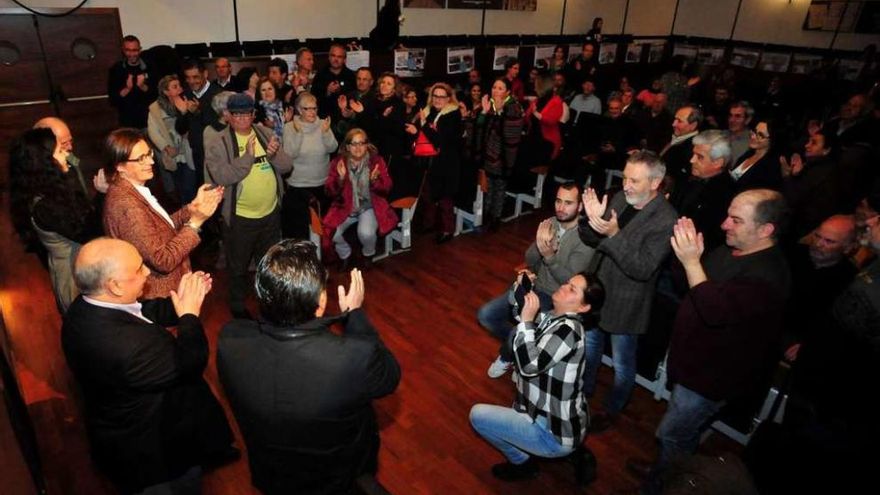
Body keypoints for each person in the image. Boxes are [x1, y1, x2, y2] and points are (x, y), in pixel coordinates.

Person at [629, 190, 792, 494]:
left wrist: (692, 262)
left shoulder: (767, 276)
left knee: (671, 434)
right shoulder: (734, 249)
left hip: (709, 379)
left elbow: (714, 310)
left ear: (765, 230)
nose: (724, 224)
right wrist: (683, 258)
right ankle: (670, 471)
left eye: (736, 220)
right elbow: (692, 287)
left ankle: (663, 485)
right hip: (691, 366)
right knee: (679, 434)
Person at [217, 241, 400, 494]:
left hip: (273, 476)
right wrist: (354, 314)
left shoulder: (229, 342)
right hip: (337, 479)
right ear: (321, 302)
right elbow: (389, 376)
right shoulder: (351, 357)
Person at [62, 238, 237, 494]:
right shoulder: (131, 347)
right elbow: (190, 362)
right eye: (138, 269)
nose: (146, 271)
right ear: (115, 285)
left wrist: (179, 301)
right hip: (154, 449)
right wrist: (189, 315)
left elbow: (141, 311)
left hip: (120, 419)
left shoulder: (87, 305)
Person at [470, 272, 605, 481]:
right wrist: (521, 289)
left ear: (583, 307)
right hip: (562, 417)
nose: (563, 286)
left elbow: (528, 366)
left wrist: (525, 321)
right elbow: (521, 315)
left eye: (572, 289)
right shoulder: (555, 317)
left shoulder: (569, 332)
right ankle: (575, 452)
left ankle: (523, 464)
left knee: (477, 416)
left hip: (553, 432)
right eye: (567, 282)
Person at [578, 151, 677, 431]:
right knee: (591, 347)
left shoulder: (666, 220)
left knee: (623, 365)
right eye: (624, 178)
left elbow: (643, 268)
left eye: (634, 180)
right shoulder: (622, 199)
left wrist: (611, 234)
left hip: (627, 302)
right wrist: (590, 220)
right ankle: (584, 392)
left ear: (655, 183)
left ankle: (613, 408)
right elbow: (593, 239)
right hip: (598, 291)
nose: (626, 185)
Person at [478, 182, 594, 377]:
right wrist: (540, 247)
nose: (561, 207)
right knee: (486, 315)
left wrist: (549, 256)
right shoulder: (550, 222)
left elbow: (569, 281)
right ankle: (521, 352)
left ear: (580, 207)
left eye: (568, 203)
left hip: (556, 298)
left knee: (519, 331)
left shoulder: (586, 238)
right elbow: (530, 259)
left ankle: (509, 356)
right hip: (535, 287)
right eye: (558, 201)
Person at [103, 128, 223, 298]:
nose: (151, 162)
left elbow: (159, 228)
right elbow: (162, 260)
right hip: (161, 296)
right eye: (140, 159)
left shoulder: (131, 189)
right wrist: (195, 223)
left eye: (149, 154)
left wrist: (191, 209)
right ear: (120, 166)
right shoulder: (127, 206)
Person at [204, 93, 294, 319]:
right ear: (228, 116)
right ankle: (237, 307)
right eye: (238, 114)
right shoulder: (219, 142)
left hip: (270, 214)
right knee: (238, 267)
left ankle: (268, 303)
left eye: (247, 114)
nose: (243, 119)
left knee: (269, 264)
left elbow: (286, 167)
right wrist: (248, 157)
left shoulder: (264, 133)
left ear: (254, 114)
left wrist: (272, 156)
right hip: (240, 218)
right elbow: (222, 176)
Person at [8, 128, 102, 312]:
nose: (67, 154)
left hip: (84, 270)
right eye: (60, 151)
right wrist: (102, 195)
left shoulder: (53, 192)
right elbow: (90, 232)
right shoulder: (45, 206)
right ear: (44, 163)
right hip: (78, 280)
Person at [323, 128, 397, 269]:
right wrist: (340, 179)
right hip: (345, 207)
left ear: (367, 145)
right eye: (354, 144)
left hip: (368, 207)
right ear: (348, 147)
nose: (358, 147)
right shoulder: (338, 163)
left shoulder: (376, 161)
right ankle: (345, 254)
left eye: (361, 143)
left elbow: (387, 188)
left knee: (366, 233)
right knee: (331, 233)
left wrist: (374, 180)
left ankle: (368, 253)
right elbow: (329, 192)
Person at [405, 82, 462, 243]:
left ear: (448, 98)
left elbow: (441, 140)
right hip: (429, 160)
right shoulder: (428, 112)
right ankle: (429, 224)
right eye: (435, 96)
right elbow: (424, 137)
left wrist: (422, 128)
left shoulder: (453, 114)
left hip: (447, 162)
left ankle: (447, 230)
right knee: (428, 195)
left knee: (445, 197)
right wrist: (418, 131)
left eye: (441, 96)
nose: (437, 99)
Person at [282, 92, 337, 240]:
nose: (312, 112)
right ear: (299, 110)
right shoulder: (289, 127)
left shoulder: (323, 124)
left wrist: (326, 133)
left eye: (315, 108)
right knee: (300, 230)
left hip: (321, 184)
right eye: (308, 109)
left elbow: (333, 148)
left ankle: (322, 255)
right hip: (298, 186)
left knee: (322, 229)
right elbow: (289, 153)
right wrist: (299, 134)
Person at [475, 77, 524, 230]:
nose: (496, 91)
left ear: (508, 92)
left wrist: (499, 112)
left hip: (504, 156)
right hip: (489, 155)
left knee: (499, 187)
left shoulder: (513, 107)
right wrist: (485, 111)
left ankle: (495, 218)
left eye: (500, 88)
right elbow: (481, 127)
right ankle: (487, 216)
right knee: (488, 186)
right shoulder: (491, 105)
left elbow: (510, 134)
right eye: (494, 87)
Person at [148, 74, 198, 203]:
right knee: (180, 186)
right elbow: (153, 131)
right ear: (166, 92)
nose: (180, 89)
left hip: (188, 150)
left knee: (190, 186)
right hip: (172, 153)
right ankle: (184, 214)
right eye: (175, 87)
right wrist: (165, 147)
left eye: (179, 85)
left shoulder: (188, 101)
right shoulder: (156, 108)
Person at [179, 58, 222, 185]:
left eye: (195, 77)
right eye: (188, 77)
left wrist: (198, 113)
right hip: (197, 151)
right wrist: (184, 113)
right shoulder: (185, 95)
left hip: (217, 152)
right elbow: (180, 129)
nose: (191, 81)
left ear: (205, 74)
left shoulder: (218, 94)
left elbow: (220, 126)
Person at [107, 35, 155, 128]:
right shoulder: (117, 69)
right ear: (123, 50)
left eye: (135, 50)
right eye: (128, 50)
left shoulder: (149, 66)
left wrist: (142, 86)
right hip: (127, 123)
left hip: (150, 122)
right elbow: (112, 100)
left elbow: (156, 95)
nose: (132, 54)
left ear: (140, 50)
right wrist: (127, 89)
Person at [730, 120, 783, 193]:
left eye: (761, 135)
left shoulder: (771, 166)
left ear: (772, 140)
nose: (753, 136)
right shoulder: (747, 154)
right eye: (754, 131)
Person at [312, 43, 356, 118]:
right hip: (324, 118)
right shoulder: (320, 75)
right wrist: (327, 92)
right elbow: (313, 99)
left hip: (345, 119)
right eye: (333, 56)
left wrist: (341, 91)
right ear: (329, 57)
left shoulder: (351, 76)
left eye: (339, 57)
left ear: (344, 60)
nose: (336, 59)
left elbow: (355, 98)